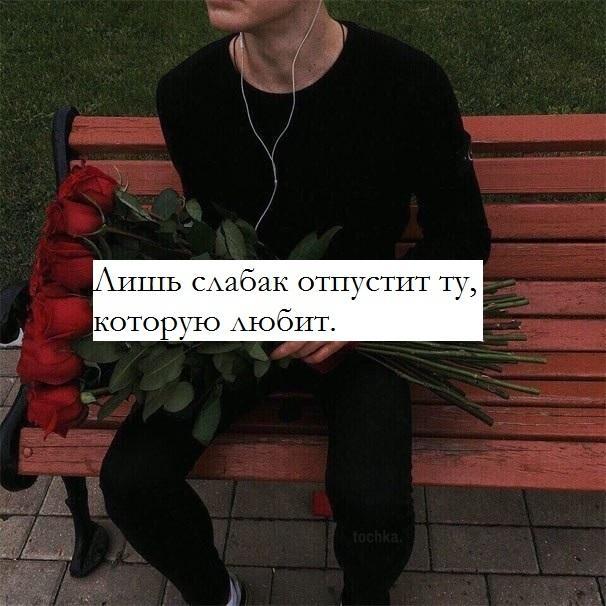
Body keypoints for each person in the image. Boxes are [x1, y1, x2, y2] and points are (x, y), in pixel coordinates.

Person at [99, 1, 492, 604]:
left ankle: (365, 596)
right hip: (239, 317)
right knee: (131, 479)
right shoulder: (188, 92)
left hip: (363, 326)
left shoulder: (405, 81)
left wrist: (361, 311)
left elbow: (464, 240)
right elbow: (212, 232)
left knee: (375, 505)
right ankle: (216, 594)